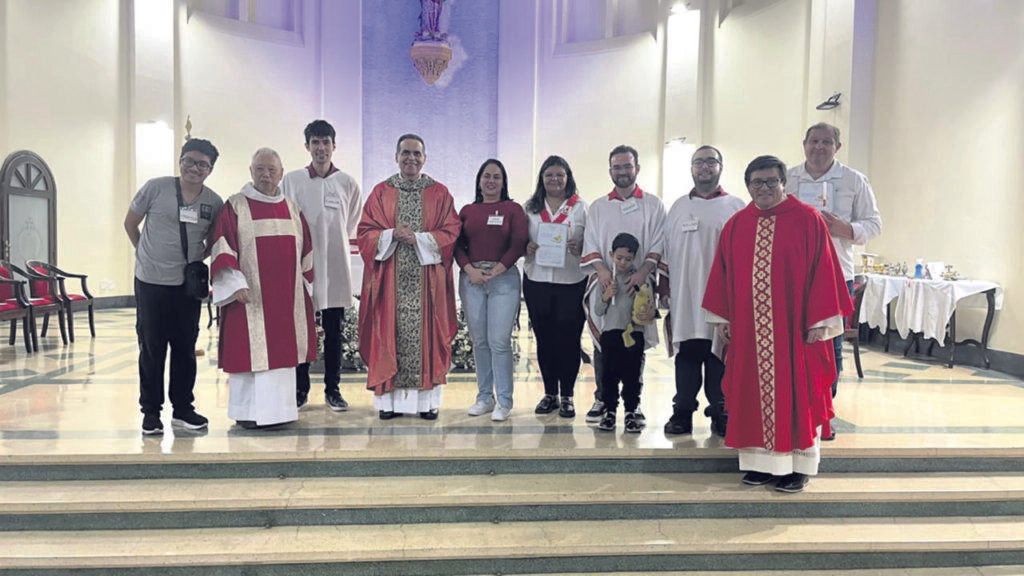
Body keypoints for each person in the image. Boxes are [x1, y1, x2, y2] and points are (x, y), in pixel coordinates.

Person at [702, 155, 852, 494]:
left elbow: (824, 274)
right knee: (749, 393)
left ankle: (797, 466)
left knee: (798, 392)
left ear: (784, 183)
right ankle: (760, 464)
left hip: (795, 333)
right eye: (757, 182)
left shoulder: (808, 220)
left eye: (771, 181)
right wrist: (723, 319)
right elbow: (722, 275)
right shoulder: (737, 224)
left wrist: (820, 320)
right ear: (748, 187)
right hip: (750, 333)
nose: (765, 188)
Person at [786, 123, 882, 437]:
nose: (819, 147)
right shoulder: (787, 178)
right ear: (804, 144)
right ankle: (793, 408)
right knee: (792, 346)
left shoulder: (854, 180)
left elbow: (874, 224)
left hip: (835, 273)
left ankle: (824, 412)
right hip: (792, 276)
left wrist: (848, 230)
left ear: (837, 147)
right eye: (814, 141)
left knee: (830, 345)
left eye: (826, 142)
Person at [356, 134, 461, 420]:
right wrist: (390, 235)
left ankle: (427, 403)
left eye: (416, 153)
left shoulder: (439, 193)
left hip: (427, 283)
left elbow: (451, 232)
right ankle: (388, 404)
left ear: (425, 158)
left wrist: (418, 239)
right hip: (390, 282)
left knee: (428, 336)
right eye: (405, 153)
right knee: (388, 334)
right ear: (396, 156)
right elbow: (365, 233)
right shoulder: (381, 192)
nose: (411, 158)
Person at [210, 148, 316, 429]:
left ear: (281, 173)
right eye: (260, 169)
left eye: (271, 170)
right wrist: (234, 284)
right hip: (249, 299)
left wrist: (305, 286)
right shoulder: (236, 206)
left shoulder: (292, 208)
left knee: (283, 355)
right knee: (250, 353)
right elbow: (223, 245)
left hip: (287, 301)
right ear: (251, 171)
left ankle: (280, 413)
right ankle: (247, 414)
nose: (266, 175)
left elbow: (307, 251)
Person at [124, 138, 223, 435]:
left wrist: (195, 260)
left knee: (184, 348)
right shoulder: (156, 187)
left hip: (186, 287)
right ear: (180, 161)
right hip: (151, 282)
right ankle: (150, 412)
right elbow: (130, 223)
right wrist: (144, 253)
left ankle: (183, 408)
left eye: (203, 164)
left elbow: (214, 241)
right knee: (152, 348)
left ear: (210, 169)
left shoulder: (213, 202)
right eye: (190, 161)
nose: (195, 168)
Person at [661, 146, 746, 437]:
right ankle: (682, 411)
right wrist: (664, 290)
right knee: (686, 356)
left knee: (718, 357)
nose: (705, 167)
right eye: (699, 162)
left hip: (723, 301)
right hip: (685, 298)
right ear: (691, 168)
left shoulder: (736, 206)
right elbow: (666, 252)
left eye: (711, 161)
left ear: (721, 167)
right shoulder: (678, 207)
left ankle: (721, 410)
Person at [280, 120, 363, 412]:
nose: (321, 148)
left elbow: (350, 223)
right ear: (307, 147)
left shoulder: (347, 183)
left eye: (326, 142)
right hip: (302, 268)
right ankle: (300, 389)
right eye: (315, 142)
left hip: (335, 267)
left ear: (334, 146)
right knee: (301, 329)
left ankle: (333, 389)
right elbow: (286, 219)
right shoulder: (292, 180)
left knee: (334, 330)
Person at [581, 145, 665, 423]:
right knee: (603, 342)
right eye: (617, 167)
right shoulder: (598, 206)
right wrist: (604, 271)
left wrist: (642, 272)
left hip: (638, 286)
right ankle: (602, 399)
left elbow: (658, 242)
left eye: (627, 166)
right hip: (606, 284)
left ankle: (633, 405)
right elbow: (590, 242)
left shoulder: (653, 204)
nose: (622, 172)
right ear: (610, 171)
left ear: (637, 168)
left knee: (635, 345)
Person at [456, 159, 528, 421]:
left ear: (503, 181)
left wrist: (497, 270)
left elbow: (518, 243)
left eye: (496, 177)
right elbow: (457, 246)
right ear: (479, 180)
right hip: (472, 280)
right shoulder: (467, 210)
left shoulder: (513, 209)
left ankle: (505, 401)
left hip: (503, 279)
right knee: (480, 341)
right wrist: (470, 270)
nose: (491, 181)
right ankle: (485, 397)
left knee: (499, 341)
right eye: (486, 176)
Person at [522, 156, 588, 419]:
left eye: (560, 175)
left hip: (570, 282)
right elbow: (520, 240)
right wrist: (525, 248)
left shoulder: (581, 207)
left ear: (568, 177)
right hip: (537, 280)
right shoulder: (531, 207)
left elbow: (591, 242)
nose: (555, 180)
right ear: (542, 178)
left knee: (569, 340)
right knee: (545, 339)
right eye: (549, 175)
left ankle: (568, 396)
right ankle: (549, 393)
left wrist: (581, 248)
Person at [587, 233, 657, 433]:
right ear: (611, 255)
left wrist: (642, 298)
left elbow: (650, 313)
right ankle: (609, 411)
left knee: (632, 376)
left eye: (628, 259)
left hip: (634, 334)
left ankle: (630, 411)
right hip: (610, 334)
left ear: (635, 258)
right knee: (609, 376)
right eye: (619, 258)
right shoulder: (607, 280)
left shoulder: (641, 280)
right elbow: (598, 311)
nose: (623, 262)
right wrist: (607, 296)